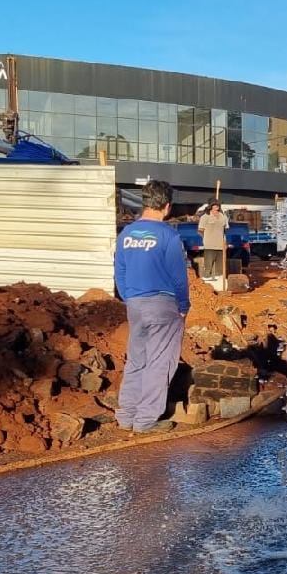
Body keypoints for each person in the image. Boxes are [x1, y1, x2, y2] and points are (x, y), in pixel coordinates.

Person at [114, 180, 190, 434]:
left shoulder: (126, 235)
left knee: (137, 359)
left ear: (145, 202)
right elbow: (179, 276)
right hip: (163, 304)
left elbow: (120, 272)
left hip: (135, 304)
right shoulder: (169, 235)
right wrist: (183, 305)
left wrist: (128, 297)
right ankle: (145, 420)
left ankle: (126, 416)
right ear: (166, 206)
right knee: (160, 362)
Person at [197, 201, 229, 279]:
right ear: (211, 207)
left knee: (221, 268)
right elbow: (200, 230)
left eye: (217, 205)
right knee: (208, 267)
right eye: (214, 205)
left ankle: (219, 283)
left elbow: (225, 230)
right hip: (209, 246)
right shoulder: (205, 217)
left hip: (220, 245)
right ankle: (207, 282)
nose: (216, 207)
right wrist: (206, 238)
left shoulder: (223, 216)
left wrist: (225, 242)